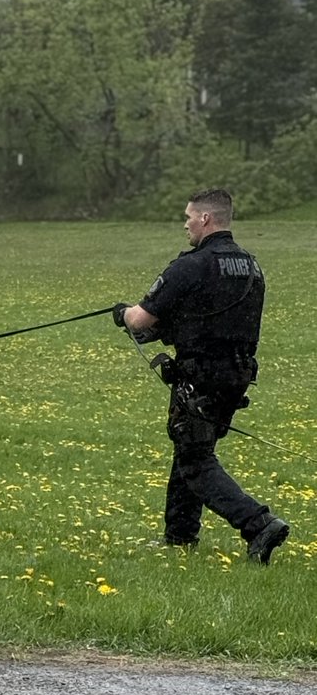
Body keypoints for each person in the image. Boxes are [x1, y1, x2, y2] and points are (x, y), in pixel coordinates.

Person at [112, 187, 289, 564]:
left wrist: (122, 313)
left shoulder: (191, 266)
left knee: (195, 462)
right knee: (190, 449)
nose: (185, 224)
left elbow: (140, 319)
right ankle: (180, 537)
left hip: (201, 375)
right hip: (238, 374)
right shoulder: (251, 266)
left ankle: (258, 523)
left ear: (205, 218)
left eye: (189, 217)